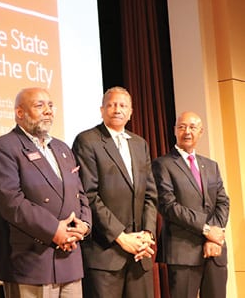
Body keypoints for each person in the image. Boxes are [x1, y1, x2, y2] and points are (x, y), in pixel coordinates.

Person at [0, 87, 92, 298]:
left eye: (50, 105)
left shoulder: (62, 148)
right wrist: (55, 230)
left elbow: (80, 192)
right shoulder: (4, 147)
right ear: (19, 113)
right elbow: (11, 202)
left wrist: (84, 225)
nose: (48, 111)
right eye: (39, 105)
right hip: (30, 261)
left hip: (70, 258)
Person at [72, 86, 158, 298]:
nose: (117, 109)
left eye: (122, 106)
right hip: (105, 254)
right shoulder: (87, 141)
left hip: (140, 254)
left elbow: (150, 195)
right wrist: (121, 237)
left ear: (130, 112)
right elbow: (89, 195)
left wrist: (147, 234)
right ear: (102, 110)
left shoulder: (140, 144)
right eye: (111, 105)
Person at [152, 111, 229, 297]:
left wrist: (213, 235)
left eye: (193, 127)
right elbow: (168, 206)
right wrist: (205, 229)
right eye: (182, 127)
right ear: (175, 131)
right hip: (183, 252)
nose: (187, 131)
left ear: (200, 132)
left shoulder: (211, 165)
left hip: (215, 251)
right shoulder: (162, 164)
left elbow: (222, 201)